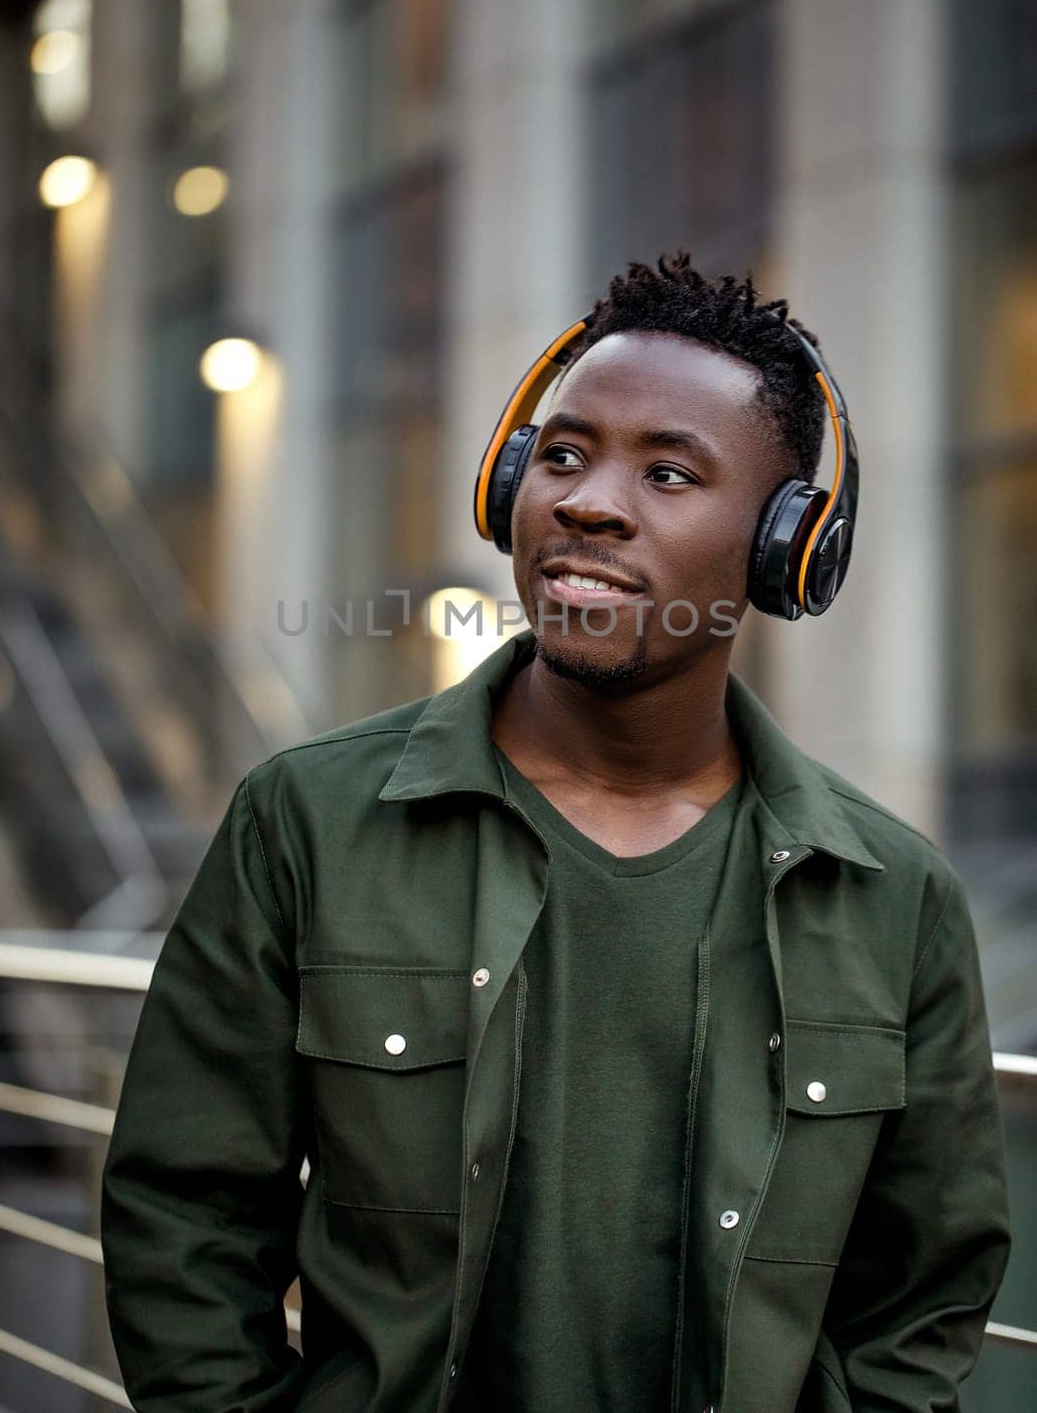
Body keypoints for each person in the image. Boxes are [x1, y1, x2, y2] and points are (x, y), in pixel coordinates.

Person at [101, 251, 1011, 1413]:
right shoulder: (304, 821)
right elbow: (184, 1217)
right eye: (564, 454)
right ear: (508, 488)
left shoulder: (890, 894)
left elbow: (921, 1302)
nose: (586, 499)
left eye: (670, 473)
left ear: (786, 548)